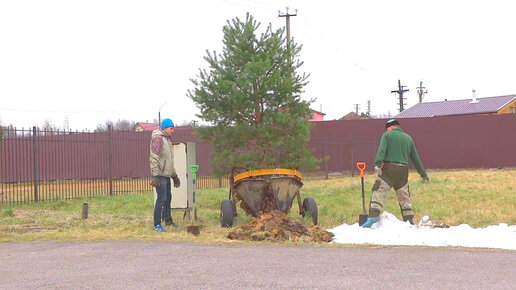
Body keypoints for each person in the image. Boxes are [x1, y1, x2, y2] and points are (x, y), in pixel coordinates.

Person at [362, 119, 429, 228]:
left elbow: (382, 150)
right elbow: (416, 158)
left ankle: (373, 216)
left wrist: (377, 164)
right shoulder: (408, 138)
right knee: (404, 196)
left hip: (389, 169)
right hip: (403, 171)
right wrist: (423, 174)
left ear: (391, 127)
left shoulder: (387, 135)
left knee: (378, 190)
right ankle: (409, 220)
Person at [149, 118, 181, 232]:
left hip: (166, 175)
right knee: (161, 199)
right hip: (160, 175)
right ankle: (156, 224)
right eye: (171, 128)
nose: (173, 131)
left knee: (168, 198)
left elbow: (169, 161)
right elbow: (154, 158)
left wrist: (174, 175)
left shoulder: (167, 140)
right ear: (165, 128)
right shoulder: (158, 139)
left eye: (173, 128)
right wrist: (155, 175)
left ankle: (168, 220)